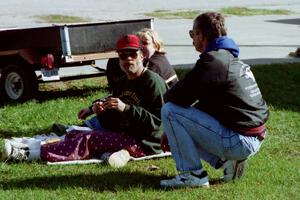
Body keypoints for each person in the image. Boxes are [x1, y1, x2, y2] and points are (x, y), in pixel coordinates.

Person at [3, 34, 169, 168]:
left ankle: (29, 154)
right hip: (127, 135)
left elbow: (158, 123)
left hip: (147, 143)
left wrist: (125, 108)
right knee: (76, 133)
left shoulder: (153, 82)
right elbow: (115, 120)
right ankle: (33, 148)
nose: (128, 60)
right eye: (123, 56)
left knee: (89, 139)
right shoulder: (122, 82)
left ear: (141, 55)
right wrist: (100, 110)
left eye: (133, 54)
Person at [159, 12, 269, 188]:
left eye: (192, 34)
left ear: (201, 35)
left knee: (170, 111)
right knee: (179, 118)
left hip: (240, 141)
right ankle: (228, 163)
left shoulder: (214, 61)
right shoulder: (228, 57)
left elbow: (175, 97)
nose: (192, 39)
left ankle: (192, 175)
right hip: (253, 137)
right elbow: (208, 104)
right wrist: (173, 133)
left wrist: (171, 129)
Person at [106, 28, 178, 92]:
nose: (141, 47)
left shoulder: (154, 64)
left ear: (156, 45)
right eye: (139, 44)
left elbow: (139, 87)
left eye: (145, 43)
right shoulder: (160, 57)